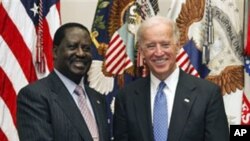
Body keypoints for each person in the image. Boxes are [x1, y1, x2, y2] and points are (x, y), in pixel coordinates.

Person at [113, 16, 229, 141]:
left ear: (177, 46)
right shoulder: (126, 97)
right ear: (141, 51)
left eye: (165, 44)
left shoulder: (208, 94)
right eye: (151, 46)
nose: (158, 52)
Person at [17, 23, 109, 141]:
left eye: (86, 48)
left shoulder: (98, 98)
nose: (81, 53)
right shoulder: (34, 96)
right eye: (72, 47)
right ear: (55, 52)